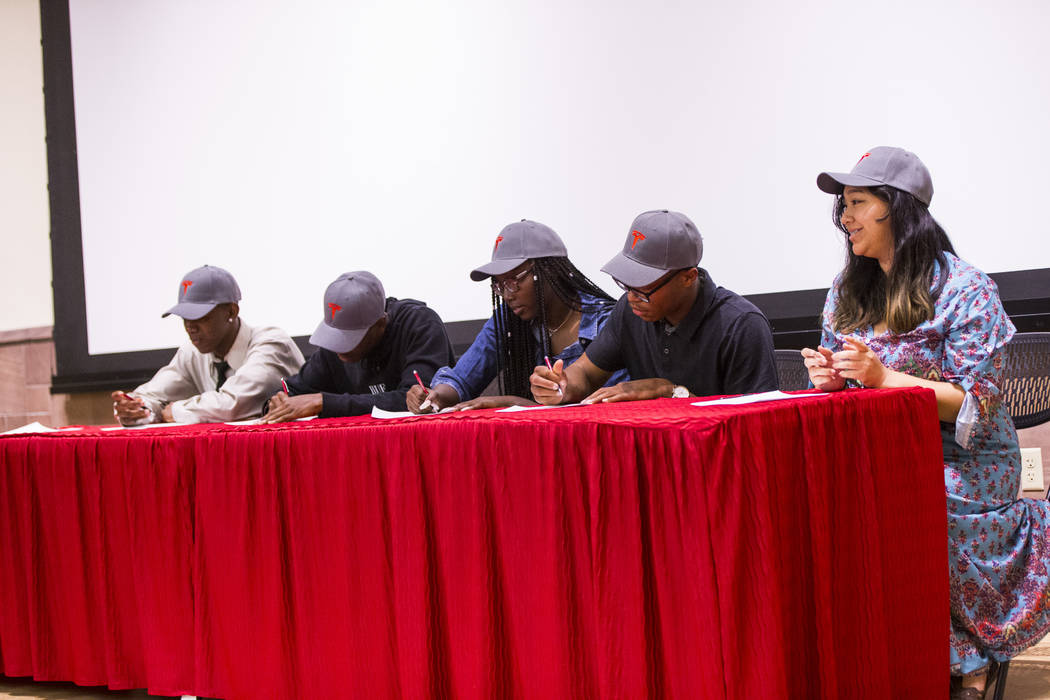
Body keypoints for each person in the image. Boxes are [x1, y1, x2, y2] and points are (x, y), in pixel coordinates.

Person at [803, 146, 1050, 698]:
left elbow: (978, 403)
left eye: (858, 203)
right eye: (843, 206)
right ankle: (878, 652)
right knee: (824, 507)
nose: (845, 218)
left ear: (899, 208)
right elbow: (845, 369)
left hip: (963, 459)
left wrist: (883, 377)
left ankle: (966, 661)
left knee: (908, 504)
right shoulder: (847, 292)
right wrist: (832, 375)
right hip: (878, 450)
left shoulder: (965, 288)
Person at [530, 209, 778, 404]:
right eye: (625, 283)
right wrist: (559, 386)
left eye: (642, 285)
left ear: (688, 277)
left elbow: (753, 428)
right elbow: (584, 373)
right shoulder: (629, 312)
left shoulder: (741, 325)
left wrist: (670, 392)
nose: (631, 296)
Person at [405, 219, 627, 413]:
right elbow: (462, 378)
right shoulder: (510, 320)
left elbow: (607, 408)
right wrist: (437, 396)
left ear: (550, 271)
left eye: (513, 281)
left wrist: (515, 404)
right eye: (499, 286)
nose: (507, 295)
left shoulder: (605, 321)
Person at [111, 264, 305, 425]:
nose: (190, 327)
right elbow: (153, 394)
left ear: (231, 312)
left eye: (200, 317)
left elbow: (233, 405)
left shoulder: (271, 343)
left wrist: (176, 411)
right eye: (185, 318)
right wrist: (138, 409)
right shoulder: (193, 352)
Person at [263, 271, 454, 421]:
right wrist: (278, 402)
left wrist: (325, 403)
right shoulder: (334, 348)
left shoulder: (419, 324)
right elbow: (296, 390)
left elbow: (417, 400)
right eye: (334, 335)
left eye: (349, 336)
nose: (338, 347)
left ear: (380, 323)